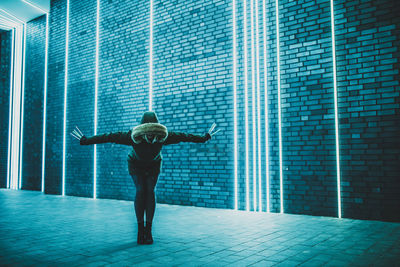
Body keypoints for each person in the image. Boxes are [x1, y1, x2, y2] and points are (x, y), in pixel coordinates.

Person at [70, 111, 220, 245]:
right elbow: (109, 137)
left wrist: (204, 138)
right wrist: (86, 140)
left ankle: (148, 230)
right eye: (146, 132)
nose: (149, 135)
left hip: (154, 164)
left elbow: (184, 136)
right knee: (141, 190)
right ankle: (140, 229)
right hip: (135, 164)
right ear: (142, 130)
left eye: (152, 131)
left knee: (150, 191)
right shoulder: (131, 136)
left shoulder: (163, 137)